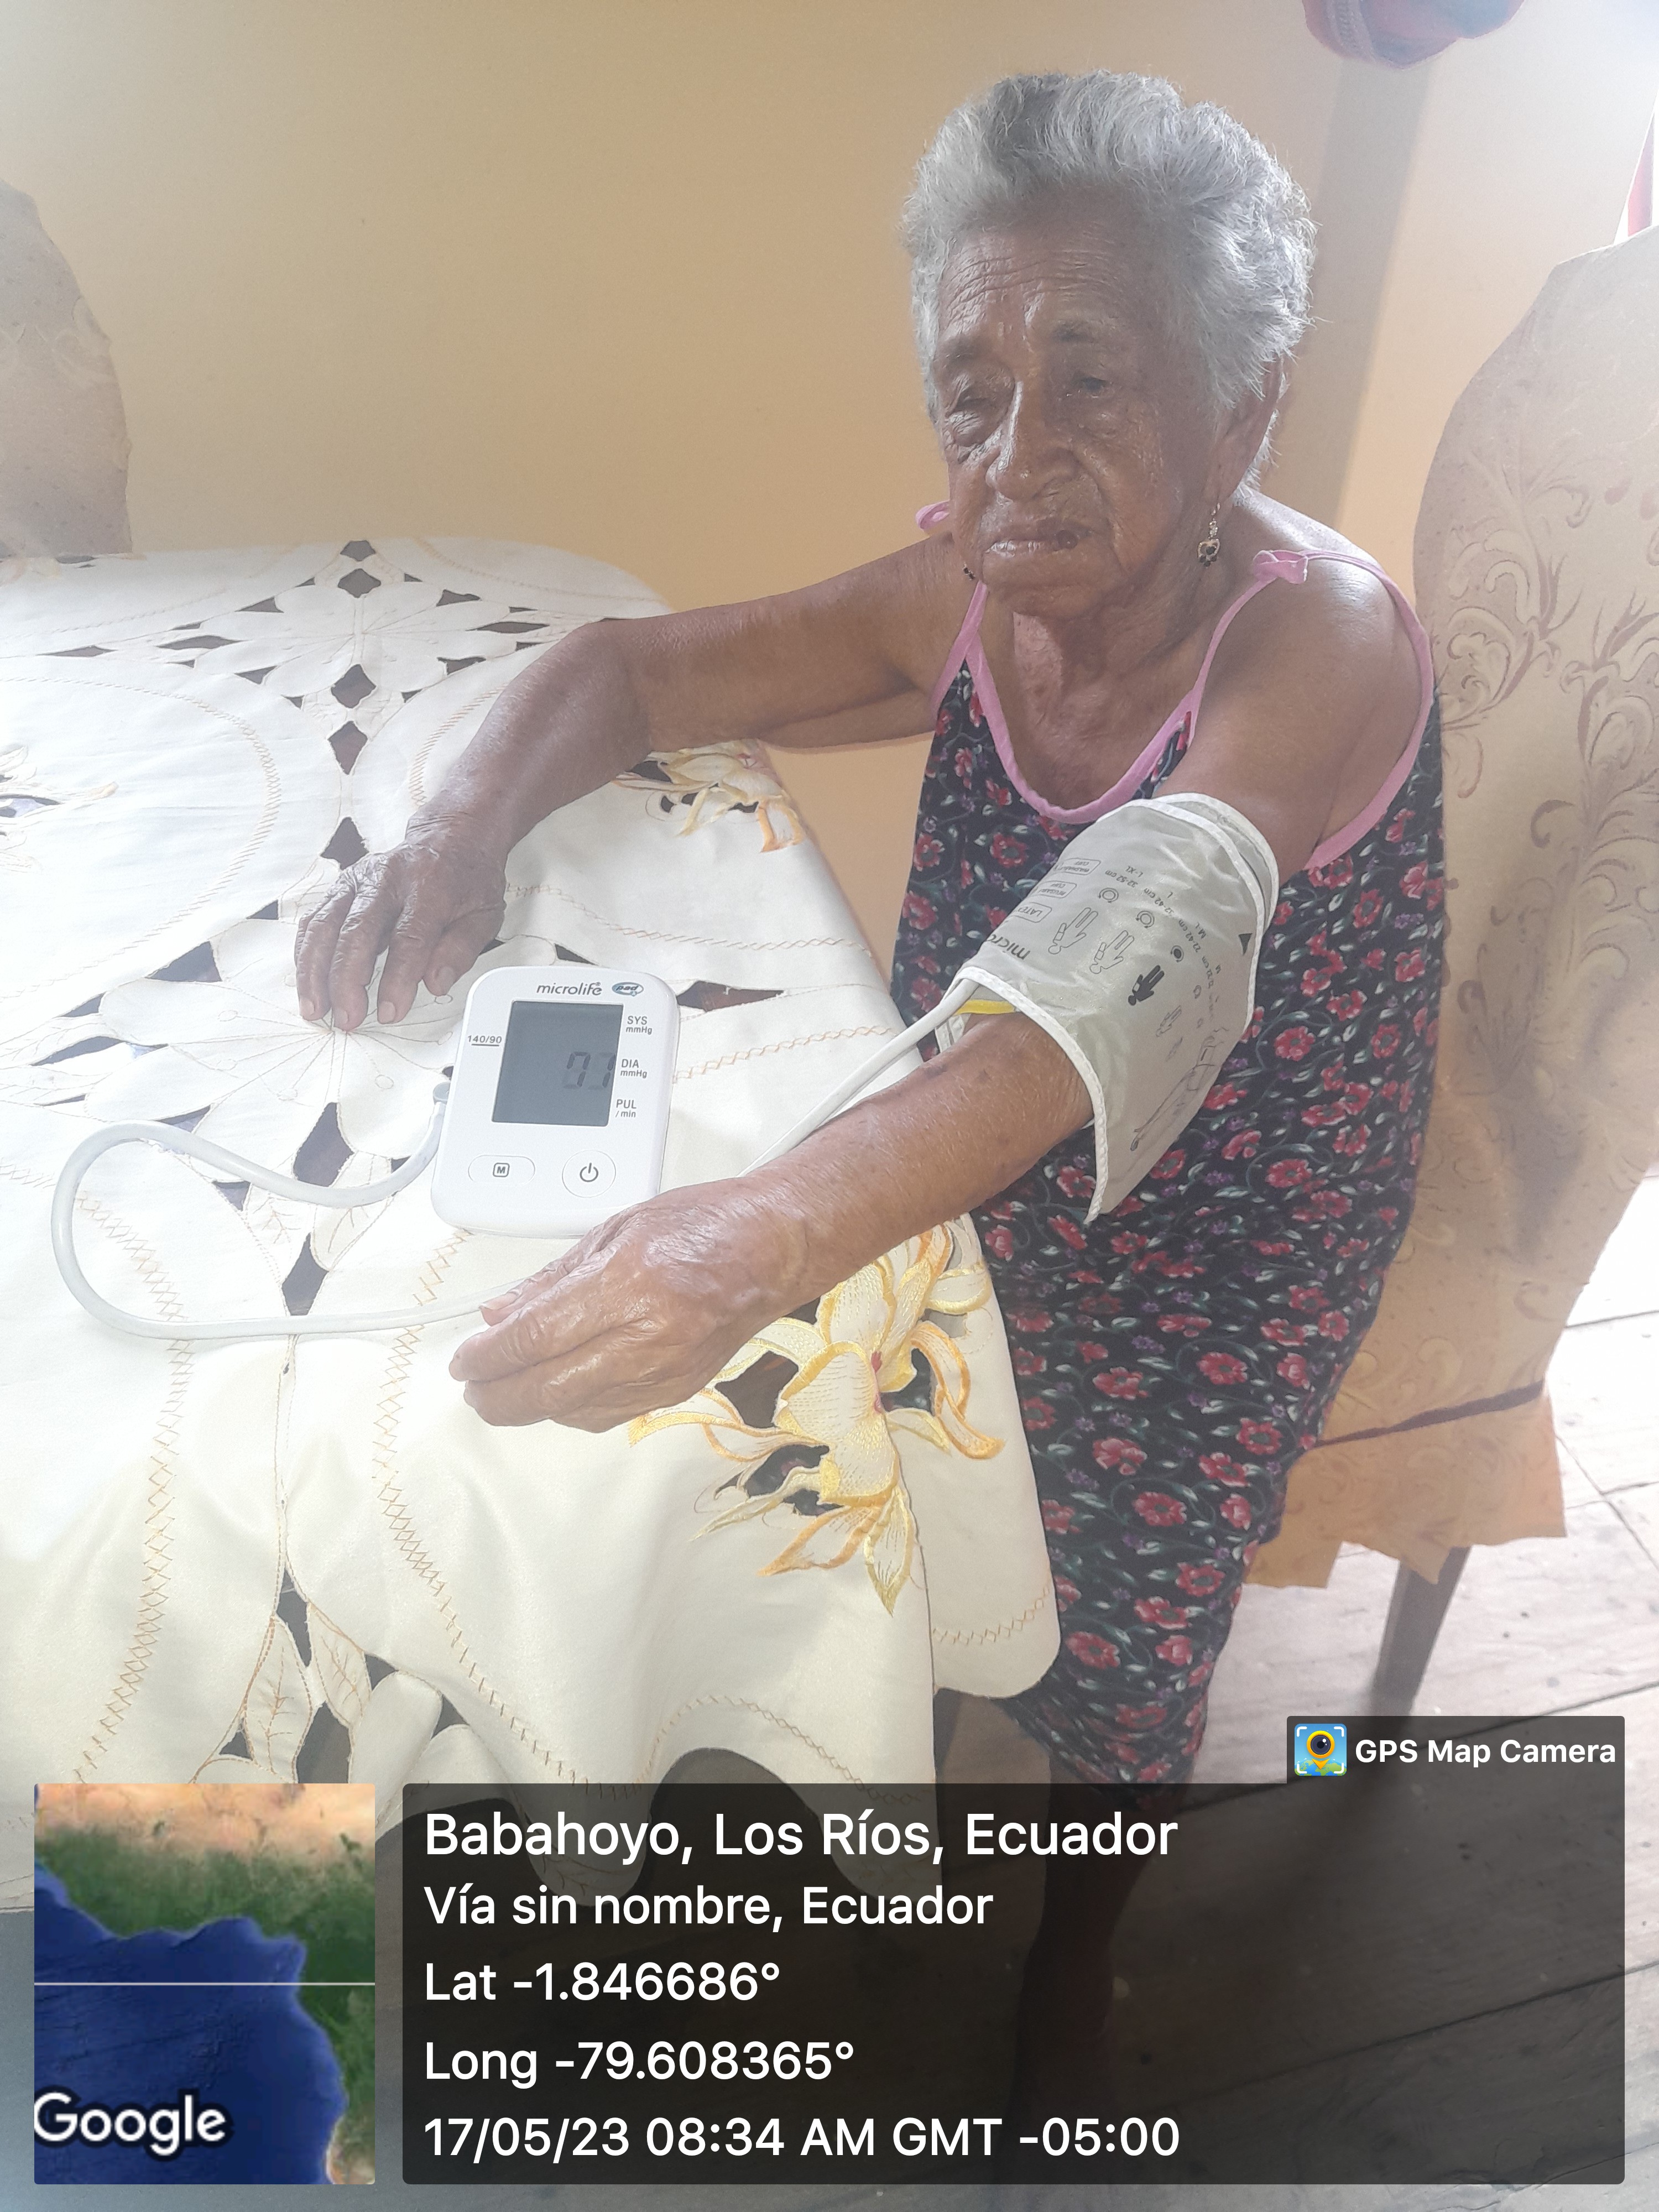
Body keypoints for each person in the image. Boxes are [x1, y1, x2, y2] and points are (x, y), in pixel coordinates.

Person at [294, 71, 1442, 1788]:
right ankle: (840, 1718)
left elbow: (1134, 967)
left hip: (1222, 1225)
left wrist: (765, 1232)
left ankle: (1086, 1884)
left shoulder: (1318, 646)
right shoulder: (970, 595)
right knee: (696, 1424)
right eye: (973, 398)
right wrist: (454, 835)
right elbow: (627, 671)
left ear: (1244, 409)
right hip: (969, 1126)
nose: (1017, 457)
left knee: (1099, 1598)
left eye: (1092, 382)